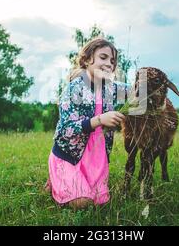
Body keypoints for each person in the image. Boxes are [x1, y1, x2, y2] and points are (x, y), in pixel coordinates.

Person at [45, 37, 129, 209]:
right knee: (83, 204)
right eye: (103, 57)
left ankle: (66, 183)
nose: (109, 64)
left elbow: (135, 90)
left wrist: (152, 84)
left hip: (96, 159)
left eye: (112, 61)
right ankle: (56, 180)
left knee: (100, 203)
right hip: (71, 157)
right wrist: (99, 120)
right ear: (87, 60)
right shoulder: (74, 89)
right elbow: (66, 129)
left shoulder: (110, 88)